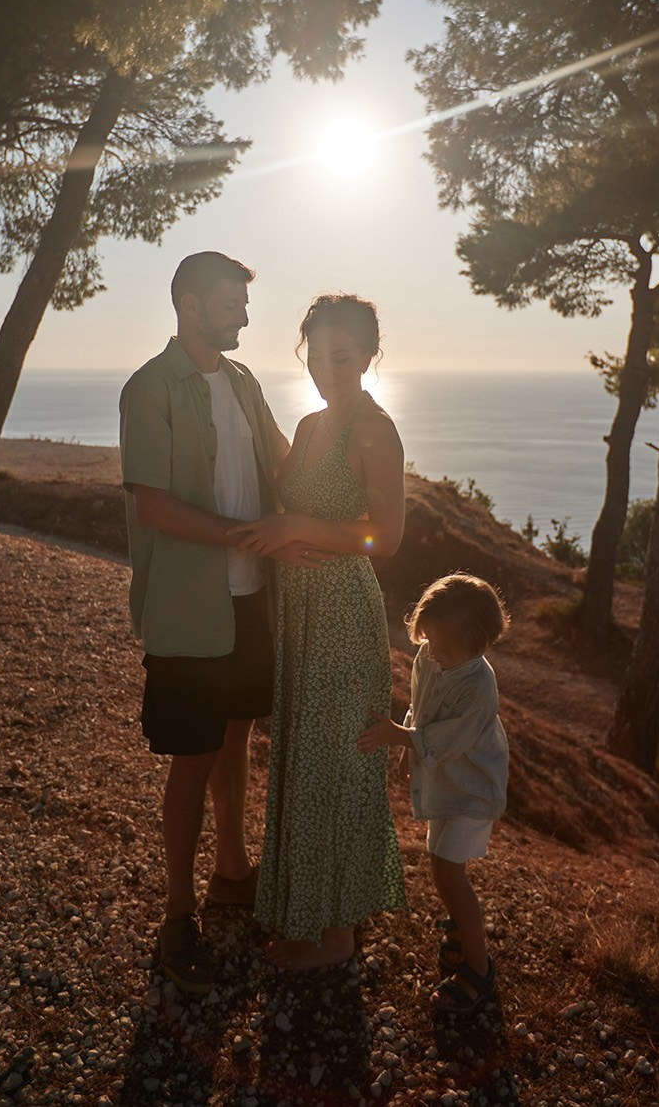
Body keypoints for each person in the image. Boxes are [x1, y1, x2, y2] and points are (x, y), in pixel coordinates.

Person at [119, 251, 321, 994]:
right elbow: (155, 506)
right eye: (231, 301)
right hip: (188, 606)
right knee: (192, 757)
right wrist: (248, 535)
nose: (242, 313)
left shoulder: (242, 382)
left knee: (238, 734)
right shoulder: (150, 388)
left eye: (244, 301)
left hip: (249, 599)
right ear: (189, 305)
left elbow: (285, 461)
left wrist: (341, 450)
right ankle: (177, 920)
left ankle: (231, 871)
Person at [227, 293, 407, 969]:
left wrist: (299, 528)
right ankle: (310, 916)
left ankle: (334, 936)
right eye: (318, 355)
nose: (329, 368)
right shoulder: (306, 428)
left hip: (343, 613)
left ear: (368, 356)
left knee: (337, 763)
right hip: (296, 610)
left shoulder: (375, 430)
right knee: (303, 761)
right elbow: (279, 504)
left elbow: (384, 538)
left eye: (344, 355)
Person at [358, 572, 509, 1014]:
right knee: (440, 862)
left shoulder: (480, 687)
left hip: (474, 787)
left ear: (479, 644)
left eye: (443, 647)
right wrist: (410, 742)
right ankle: (461, 931)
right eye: (429, 642)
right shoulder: (430, 657)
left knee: (447, 870)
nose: (433, 652)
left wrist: (403, 739)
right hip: (447, 780)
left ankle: (479, 970)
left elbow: (450, 738)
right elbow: (420, 707)